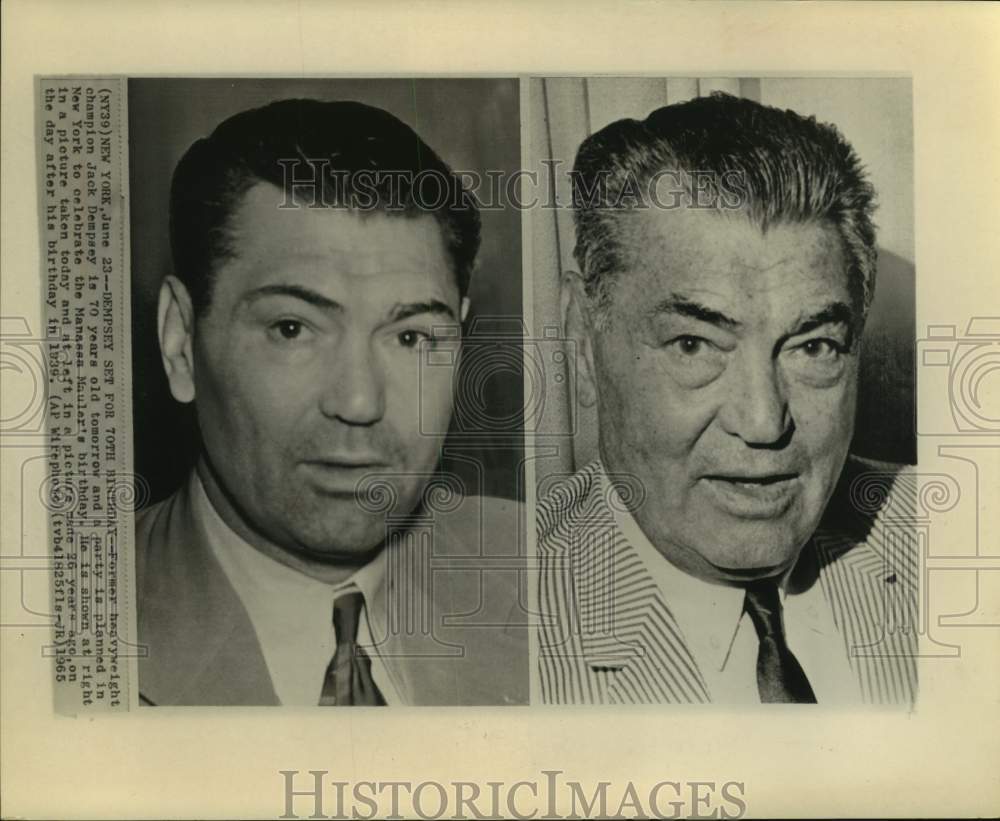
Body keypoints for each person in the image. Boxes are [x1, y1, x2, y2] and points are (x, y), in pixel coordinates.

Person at [136, 99, 527, 706]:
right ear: (180, 342)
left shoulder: (563, 573)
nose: (359, 401)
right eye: (293, 329)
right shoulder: (57, 628)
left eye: (411, 337)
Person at [537, 92, 918, 705]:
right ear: (584, 340)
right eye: (695, 345)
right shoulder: (500, 625)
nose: (764, 423)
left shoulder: (961, 542)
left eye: (813, 347)